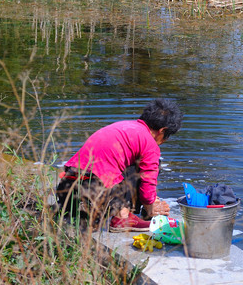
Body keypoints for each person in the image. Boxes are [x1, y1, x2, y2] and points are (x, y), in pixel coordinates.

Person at [56, 98, 183, 232]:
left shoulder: (123, 126)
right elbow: (147, 182)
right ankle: (122, 216)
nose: (164, 141)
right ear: (162, 131)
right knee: (153, 164)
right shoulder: (149, 144)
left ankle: (112, 212)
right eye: (166, 136)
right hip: (96, 190)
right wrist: (151, 207)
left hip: (68, 187)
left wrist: (152, 200)